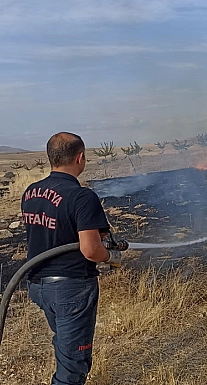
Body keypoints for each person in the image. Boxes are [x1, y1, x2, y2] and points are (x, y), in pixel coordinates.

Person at [22, 132, 126, 385]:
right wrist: (112, 256)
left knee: (66, 343)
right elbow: (91, 250)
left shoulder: (31, 192)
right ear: (80, 158)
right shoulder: (81, 196)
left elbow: (54, 229)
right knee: (73, 367)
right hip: (70, 288)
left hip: (38, 284)